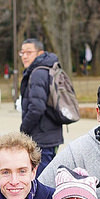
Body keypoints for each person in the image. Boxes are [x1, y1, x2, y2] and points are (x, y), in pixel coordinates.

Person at [19, 38, 63, 174]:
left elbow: (37, 107)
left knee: (41, 181)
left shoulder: (38, 73)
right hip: (50, 134)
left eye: (29, 52)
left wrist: (24, 129)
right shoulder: (47, 69)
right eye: (22, 53)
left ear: (40, 53)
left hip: (42, 137)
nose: (25, 56)